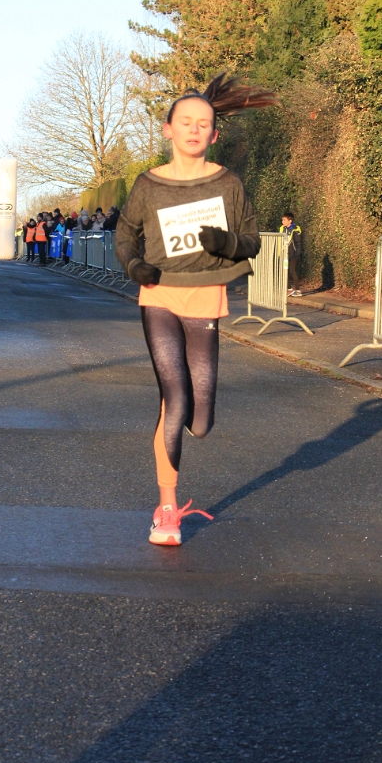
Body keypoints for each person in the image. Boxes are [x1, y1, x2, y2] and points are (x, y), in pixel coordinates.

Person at [115, 73, 277, 547]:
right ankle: (167, 510)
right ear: (168, 129)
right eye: (185, 121)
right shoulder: (148, 184)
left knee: (200, 421)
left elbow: (252, 240)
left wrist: (226, 243)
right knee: (175, 398)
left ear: (214, 134)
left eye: (203, 124)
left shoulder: (228, 183)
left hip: (206, 297)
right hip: (160, 296)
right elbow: (125, 236)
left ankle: (188, 416)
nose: (193, 129)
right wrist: (135, 266)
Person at [280, 211, 303, 297]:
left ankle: (298, 290)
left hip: (294, 254)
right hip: (286, 254)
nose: (282, 222)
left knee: (292, 271)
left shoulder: (295, 230)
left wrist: (297, 254)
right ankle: (288, 288)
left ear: (290, 221)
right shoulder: (282, 229)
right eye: (282, 220)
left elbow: (298, 243)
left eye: (284, 220)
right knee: (285, 271)